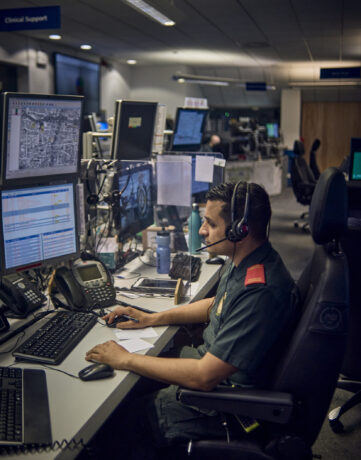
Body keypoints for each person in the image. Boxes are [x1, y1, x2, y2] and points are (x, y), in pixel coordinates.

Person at [85, 181, 299, 459]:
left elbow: (204, 376)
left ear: (240, 230)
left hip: (226, 406)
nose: (201, 230)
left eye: (210, 223)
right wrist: (151, 318)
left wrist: (124, 358)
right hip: (213, 377)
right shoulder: (247, 263)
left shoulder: (260, 290)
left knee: (119, 420)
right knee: (131, 384)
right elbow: (216, 305)